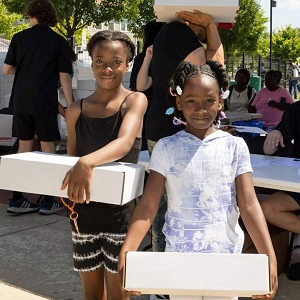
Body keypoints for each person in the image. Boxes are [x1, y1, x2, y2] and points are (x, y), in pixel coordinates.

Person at [118, 61, 277, 300]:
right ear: (179, 102)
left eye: (209, 100)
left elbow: (250, 205)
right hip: (180, 260)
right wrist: (127, 252)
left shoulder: (234, 146)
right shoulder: (166, 147)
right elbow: (149, 206)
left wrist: (269, 258)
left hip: (225, 261)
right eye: (191, 100)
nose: (200, 108)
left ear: (220, 102)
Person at [60, 30, 147, 300]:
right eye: (99, 61)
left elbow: (123, 143)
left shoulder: (134, 101)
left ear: (127, 64)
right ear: (91, 61)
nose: (107, 68)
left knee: (119, 292)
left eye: (115, 61)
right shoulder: (76, 109)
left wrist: (87, 162)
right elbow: (72, 159)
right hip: (82, 214)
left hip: (120, 217)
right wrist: (76, 168)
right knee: (92, 293)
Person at [136, 10, 224, 256]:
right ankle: (163, 274)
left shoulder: (173, 36)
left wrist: (209, 26)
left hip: (168, 128)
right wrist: (209, 24)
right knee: (168, 205)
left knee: (171, 203)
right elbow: (214, 70)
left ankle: (165, 266)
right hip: (170, 130)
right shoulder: (177, 30)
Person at [3, 0, 73, 214]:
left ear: (32, 15)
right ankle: (48, 199)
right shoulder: (58, 41)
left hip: (21, 100)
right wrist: (70, 106)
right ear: (50, 17)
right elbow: (64, 76)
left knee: (23, 148)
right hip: (45, 102)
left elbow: (7, 70)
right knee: (47, 149)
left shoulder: (19, 37)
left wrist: (26, 71)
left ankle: (18, 199)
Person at [261, 101, 300, 234]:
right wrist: (275, 133)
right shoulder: (295, 110)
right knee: (268, 208)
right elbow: (269, 151)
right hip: (297, 182)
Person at [130, 20, 165, 151]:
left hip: (148, 113)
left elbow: (135, 89)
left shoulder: (143, 59)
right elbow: (139, 86)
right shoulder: (145, 59)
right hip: (153, 112)